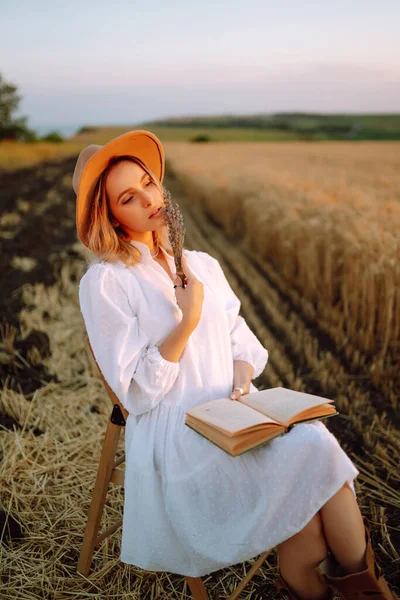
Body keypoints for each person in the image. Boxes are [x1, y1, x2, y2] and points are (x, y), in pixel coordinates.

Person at [72, 130, 396, 600]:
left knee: (310, 466)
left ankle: (342, 587)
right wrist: (186, 322)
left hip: (232, 413)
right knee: (312, 455)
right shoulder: (107, 283)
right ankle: (367, 591)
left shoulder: (201, 263)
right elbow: (137, 394)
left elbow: (241, 340)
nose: (148, 198)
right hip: (178, 434)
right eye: (128, 197)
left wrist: (242, 383)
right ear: (111, 216)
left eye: (147, 182)